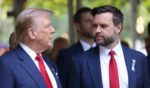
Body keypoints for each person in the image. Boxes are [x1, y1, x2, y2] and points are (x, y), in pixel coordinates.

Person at [67, 5, 150, 88]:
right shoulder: (80, 62)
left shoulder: (139, 59)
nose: (97, 30)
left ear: (118, 28)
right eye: (95, 26)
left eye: (103, 26)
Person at [0, 8, 62, 88]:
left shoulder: (49, 63)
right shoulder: (6, 64)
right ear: (32, 33)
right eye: (47, 26)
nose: (53, 30)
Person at [56, 7, 96, 87]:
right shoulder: (67, 55)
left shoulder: (105, 51)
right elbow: (62, 84)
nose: (93, 24)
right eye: (88, 21)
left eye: (94, 21)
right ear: (78, 26)